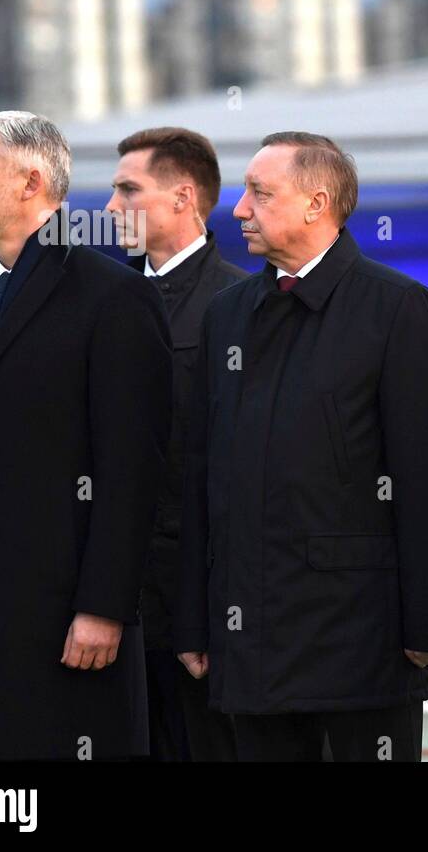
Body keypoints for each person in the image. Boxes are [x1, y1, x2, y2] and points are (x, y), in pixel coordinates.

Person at [175, 132, 428, 762]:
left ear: (317, 203)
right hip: (247, 648)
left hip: (360, 650)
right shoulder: (227, 316)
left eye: (259, 193)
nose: (239, 210)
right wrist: (193, 620)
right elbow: (199, 475)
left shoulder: (396, 309)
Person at [0, 111, 171, 760]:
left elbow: (132, 469)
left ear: (30, 182)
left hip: (60, 627)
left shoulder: (114, 298)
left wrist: (104, 608)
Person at [106, 126, 245, 761]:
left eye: (127, 190)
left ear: (183, 197)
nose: (110, 209)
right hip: (109, 601)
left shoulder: (243, 306)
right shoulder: (100, 301)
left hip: (203, 606)